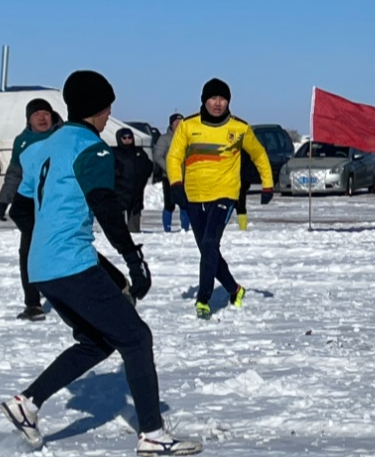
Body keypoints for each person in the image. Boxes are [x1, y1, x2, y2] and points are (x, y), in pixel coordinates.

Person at [0, 70, 200, 457]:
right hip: (70, 263)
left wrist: (46, 239)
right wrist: (133, 260)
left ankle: (28, 402)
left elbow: (22, 209)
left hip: (43, 267)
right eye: (108, 108)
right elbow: (106, 208)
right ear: (99, 108)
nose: (110, 115)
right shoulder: (92, 148)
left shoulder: (42, 146)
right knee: (136, 338)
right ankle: (153, 434)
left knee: (97, 341)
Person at [165, 78, 275, 317]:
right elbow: (174, 157)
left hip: (225, 193)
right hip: (194, 195)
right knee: (207, 249)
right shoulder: (187, 126)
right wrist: (176, 184)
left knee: (209, 244)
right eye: (213, 98)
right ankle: (235, 289)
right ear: (204, 100)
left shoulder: (239, 128)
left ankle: (203, 300)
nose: (218, 103)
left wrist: (268, 184)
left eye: (223, 99)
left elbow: (259, 155)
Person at [0, 98, 60, 321]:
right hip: (29, 203)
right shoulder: (22, 142)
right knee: (28, 253)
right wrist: (4, 201)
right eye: (36, 114)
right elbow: (15, 173)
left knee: (63, 250)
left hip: (55, 203)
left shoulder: (62, 137)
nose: (42, 118)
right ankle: (33, 303)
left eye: (46, 113)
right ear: (28, 119)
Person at [112, 127, 157, 234]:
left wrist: (143, 178)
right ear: (119, 139)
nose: (127, 140)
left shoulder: (139, 152)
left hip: (136, 194)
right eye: (124, 138)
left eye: (130, 137)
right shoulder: (114, 153)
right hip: (120, 193)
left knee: (135, 230)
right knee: (119, 231)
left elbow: (149, 166)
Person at [154, 112, 188, 233]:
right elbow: (158, 156)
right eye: (176, 123)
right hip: (169, 177)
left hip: (185, 177)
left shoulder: (187, 138)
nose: (179, 125)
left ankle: (185, 229)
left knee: (185, 204)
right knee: (169, 204)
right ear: (171, 125)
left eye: (181, 123)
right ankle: (167, 229)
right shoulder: (164, 139)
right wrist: (170, 170)